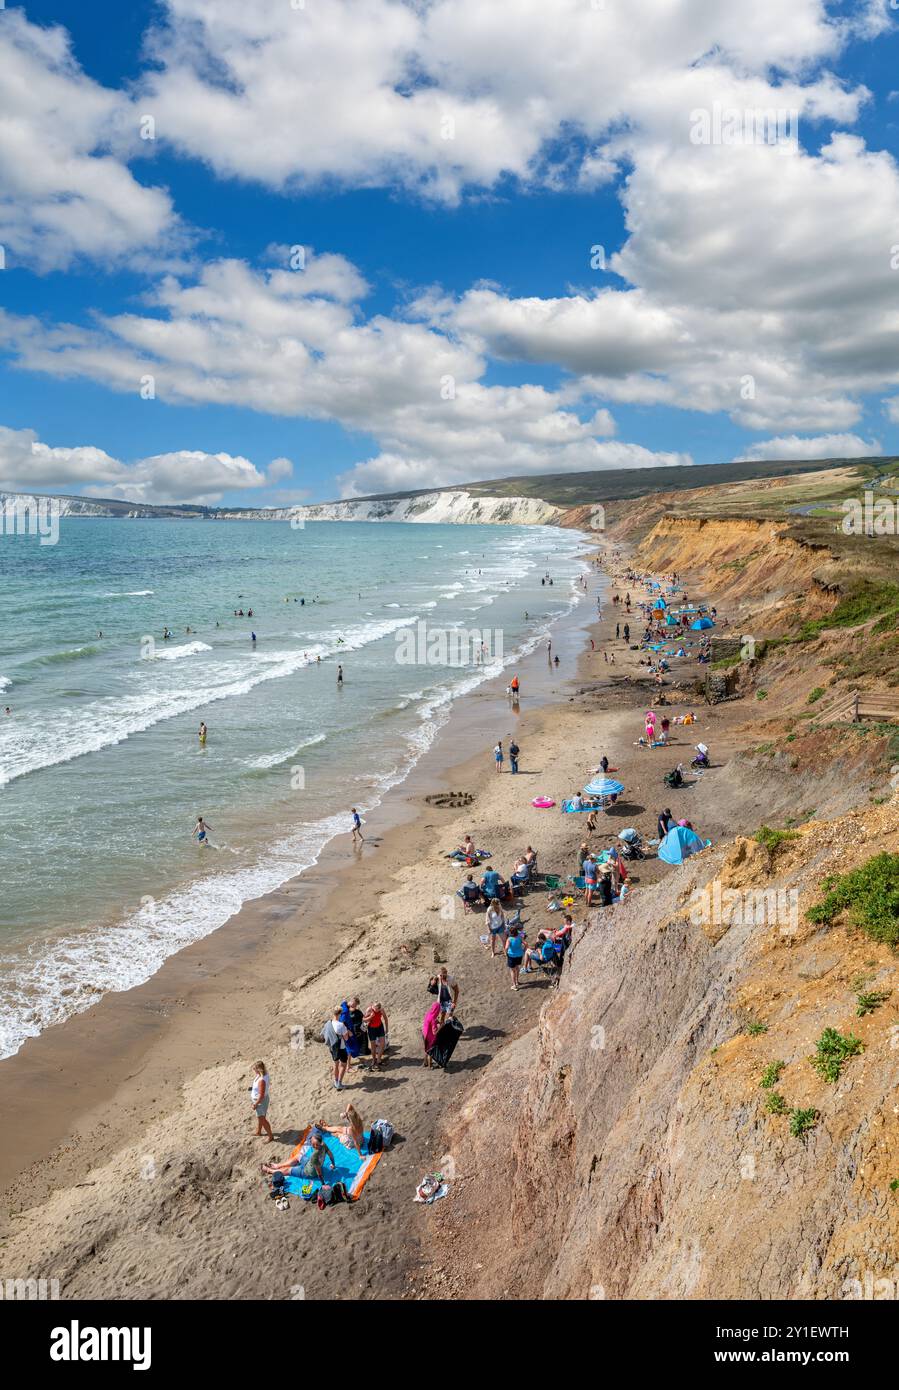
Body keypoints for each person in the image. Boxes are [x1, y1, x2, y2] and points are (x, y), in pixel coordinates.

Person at [263, 1131, 335, 1182]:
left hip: (309, 1172)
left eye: (312, 1143)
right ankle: (278, 1166)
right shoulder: (323, 1144)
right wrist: (333, 1164)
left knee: (288, 1170)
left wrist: (323, 1183)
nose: (311, 1143)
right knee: (298, 1156)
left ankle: (271, 1171)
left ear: (316, 1144)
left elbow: (319, 1173)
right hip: (310, 1163)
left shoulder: (314, 1156)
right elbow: (331, 1155)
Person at [323, 1007, 350, 1090]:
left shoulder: (328, 1023)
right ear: (340, 1014)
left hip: (332, 1047)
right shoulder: (341, 1025)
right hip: (341, 1047)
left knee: (335, 1064)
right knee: (343, 1064)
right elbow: (346, 1039)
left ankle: (335, 1081)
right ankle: (339, 1083)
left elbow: (324, 1034)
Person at [250, 1061, 273, 1142]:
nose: (253, 1070)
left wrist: (255, 1104)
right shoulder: (264, 1074)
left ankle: (270, 1136)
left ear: (259, 1070)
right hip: (262, 1100)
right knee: (260, 1118)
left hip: (260, 1102)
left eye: (255, 1069)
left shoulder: (261, 1080)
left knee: (262, 1120)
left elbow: (261, 1095)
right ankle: (259, 1132)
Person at [364, 1001, 388, 1069]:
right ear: (373, 1006)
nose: (377, 1010)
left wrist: (387, 1028)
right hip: (371, 1029)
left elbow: (385, 1019)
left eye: (378, 1009)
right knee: (373, 1046)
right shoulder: (369, 1009)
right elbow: (364, 1020)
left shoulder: (381, 1010)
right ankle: (374, 1060)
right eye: (376, 1009)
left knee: (382, 1044)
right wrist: (371, 1016)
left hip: (380, 1027)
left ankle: (379, 1059)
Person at [505, 925, 525, 990]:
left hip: (511, 956)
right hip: (519, 955)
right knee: (517, 967)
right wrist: (524, 950)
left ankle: (514, 985)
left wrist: (506, 953)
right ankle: (517, 981)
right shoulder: (520, 937)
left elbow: (506, 947)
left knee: (512, 971)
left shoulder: (509, 939)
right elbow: (526, 944)